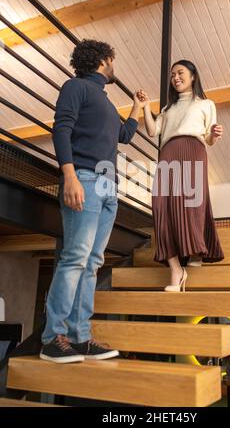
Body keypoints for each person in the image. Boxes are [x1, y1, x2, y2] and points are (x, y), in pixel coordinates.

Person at [40, 39, 145, 363]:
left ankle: (80, 337)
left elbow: (124, 135)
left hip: (108, 188)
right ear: (103, 60)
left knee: (91, 263)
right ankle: (51, 338)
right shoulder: (76, 87)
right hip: (84, 179)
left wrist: (137, 109)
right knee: (75, 258)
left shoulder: (105, 102)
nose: (115, 65)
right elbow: (61, 129)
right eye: (113, 59)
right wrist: (69, 176)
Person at [141, 59, 224, 292]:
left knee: (191, 204)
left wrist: (215, 135)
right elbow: (151, 130)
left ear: (193, 76)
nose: (175, 77)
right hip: (168, 152)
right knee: (160, 206)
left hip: (193, 150)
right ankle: (176, 268)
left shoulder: (206, 104)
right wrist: (146, 106)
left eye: (180, 73)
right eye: (172, 75)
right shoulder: (168, 109)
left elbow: (209, 138)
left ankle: (196, 250)